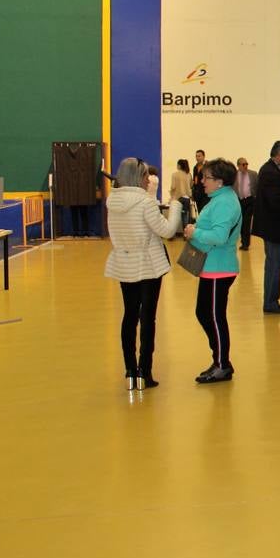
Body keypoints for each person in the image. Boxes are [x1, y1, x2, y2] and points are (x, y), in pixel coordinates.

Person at [105, 157, 182, 390]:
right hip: (148, 266)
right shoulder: (145, 202)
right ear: (138, 177)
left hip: (124, 263)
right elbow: (167, 231)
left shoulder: (113, 201)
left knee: (129, 316)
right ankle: (145, 371)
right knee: (148, 318)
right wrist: (175, 207)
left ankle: (130, 371)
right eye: (146, 175)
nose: (149, 179)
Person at [183, 159, 242, 384]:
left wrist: (194, 232)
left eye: (207, 177)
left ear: (219, 181)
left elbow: (219, 237)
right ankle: (219, 359)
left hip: (219, 267)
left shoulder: (225, 203)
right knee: (204, 313)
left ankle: (222, 364)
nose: (202, 181)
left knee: (215, 317)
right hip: (211, 268)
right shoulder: (219, 199)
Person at [251, 140, 280, 315]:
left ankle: (271, 301)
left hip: (273, 226)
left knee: (274, 264)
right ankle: (271, 303)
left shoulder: (273, 170)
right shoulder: (270, 172)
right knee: (274, 265)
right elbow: (276, 202)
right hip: (273, 227)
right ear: (279, 154)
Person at [235, 157, 258, 250]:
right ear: (238, 165)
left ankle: (246, 244)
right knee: (240, 222)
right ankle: (243, 241)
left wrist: (256, 198)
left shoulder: (253, 174)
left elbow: (257, 186)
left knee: (247, 222)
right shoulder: (234, 175)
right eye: (243, 164)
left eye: (246, 164)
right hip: (239, 201)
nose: (245, 166)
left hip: (249, 200)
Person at [168, 159, 192, 225]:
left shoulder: (175, 174)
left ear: (179, 165)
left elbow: (173, 187)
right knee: (185, 216)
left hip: (178, 198)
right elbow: (191, 186)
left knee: (175, 217)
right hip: (187, 198)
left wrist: (171, 194)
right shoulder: (189, 174)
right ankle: (186, 232)